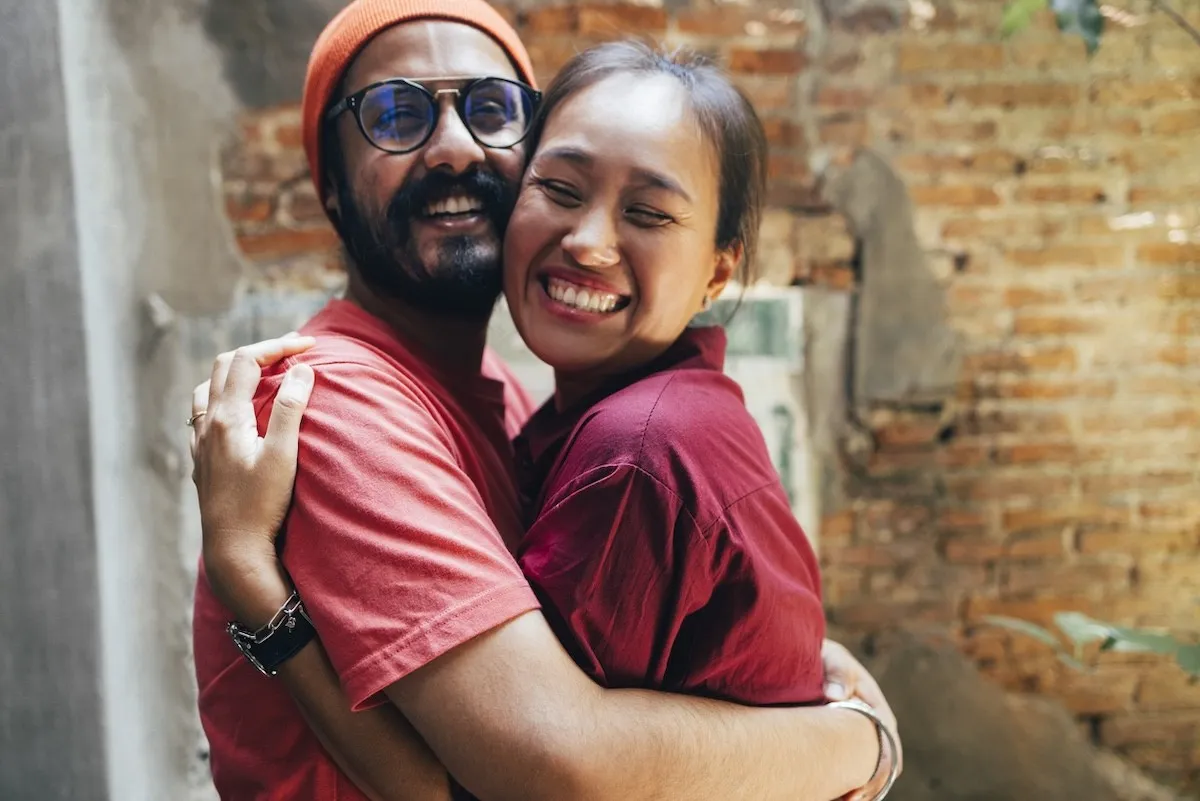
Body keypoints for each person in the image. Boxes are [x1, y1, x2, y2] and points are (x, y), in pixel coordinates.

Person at [190, 2, 901, 800]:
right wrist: (855, 746)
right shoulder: (327, 402)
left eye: (492, 109)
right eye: (396, 113)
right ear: (329, 187)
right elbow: (549, 767)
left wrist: (825, 684)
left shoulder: (509, 396)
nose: (456, 146)